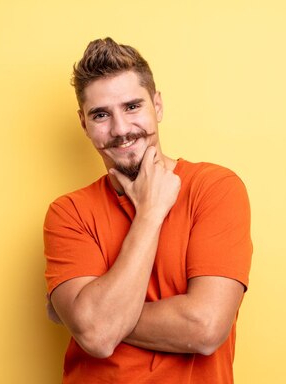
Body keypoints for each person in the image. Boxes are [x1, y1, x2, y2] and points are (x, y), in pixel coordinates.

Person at [44, 37, 253, 383]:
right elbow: (95, 335)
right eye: (100, 115)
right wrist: (151, 211)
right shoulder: (68, 214)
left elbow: (205, 327)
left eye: (131, 107)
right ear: (84, 124)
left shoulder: (214, 188)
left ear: (157, 105)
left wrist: (91, 317)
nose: (121, 129)